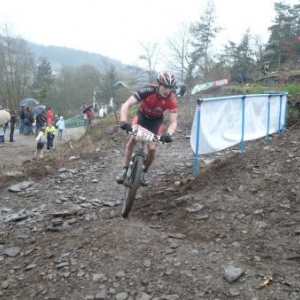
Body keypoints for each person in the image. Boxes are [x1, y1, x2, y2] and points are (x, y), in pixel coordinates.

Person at [116, 71, 178, 186]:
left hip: (156, 122)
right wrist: (124, 121)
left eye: (170, 88)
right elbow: (127, 104)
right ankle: (124, 170)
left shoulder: (172, 99)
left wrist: (168, 134)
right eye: (165, 87)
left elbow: (173, 122)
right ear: (159, 84)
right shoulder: (147, 90)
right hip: (142, 117)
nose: (167, 90)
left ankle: (144, 172)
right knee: (133, 139)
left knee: (152, 149)